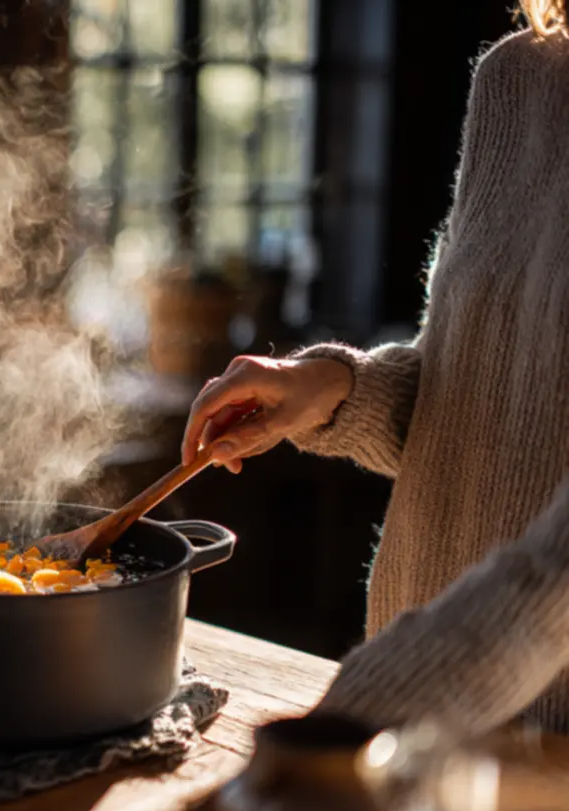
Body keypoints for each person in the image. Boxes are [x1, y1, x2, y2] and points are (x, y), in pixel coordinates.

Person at [181, 0, 569, 737]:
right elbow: (477, 396)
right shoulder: (519, 78)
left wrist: (361, 720)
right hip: (426, 715)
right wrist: (328, 389)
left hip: (534, 748)